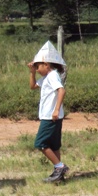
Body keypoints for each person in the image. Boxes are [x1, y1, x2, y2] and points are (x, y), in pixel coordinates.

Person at [28, 41, 69, 183]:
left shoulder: (52, 76)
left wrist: (56, 109)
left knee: (41, 143)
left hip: (51, 116)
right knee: (54, 145)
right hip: (52, 116)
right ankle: (59, 174)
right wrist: (32, 73)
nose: (37, 69)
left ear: (47, 64)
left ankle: (60, 166)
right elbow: (33, 86)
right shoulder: (46, 77)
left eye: (38, 66)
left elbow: (61, 90)